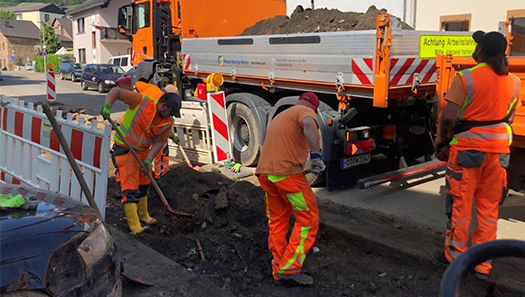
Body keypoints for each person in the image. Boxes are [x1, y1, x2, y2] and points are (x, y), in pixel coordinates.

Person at [433, 31, 521, 279]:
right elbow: (509, 118)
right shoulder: (514, 82)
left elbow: (448, 116)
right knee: (489, 208)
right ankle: (483, 264)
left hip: (468, 152)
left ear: (481, 52)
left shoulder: (466, 78)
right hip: (499, 152)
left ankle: (455, 259)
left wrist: (441, 138)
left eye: (477, 46)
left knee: (461, 206)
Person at [255, 92, 326, 287]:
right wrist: (316, 155)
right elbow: (309, 123)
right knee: (308, 219)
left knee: (277, 222)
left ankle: (279, 270)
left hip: (266, 175)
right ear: (314, 107)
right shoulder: (305, 112)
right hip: (287, 175)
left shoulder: (282, 115)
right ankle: (290, 268)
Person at [101, 85, 182, 234]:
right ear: (163, 105)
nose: (169, 115)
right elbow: (116, 91)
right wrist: (108, 105)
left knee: (145, 183)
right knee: (130, 187)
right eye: (169, 111)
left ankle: (144, 215)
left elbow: (159, 142)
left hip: (143, 152)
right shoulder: (141, 101)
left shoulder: (167, 122)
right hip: (125, 150)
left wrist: (149, 159)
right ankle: (134, 226)